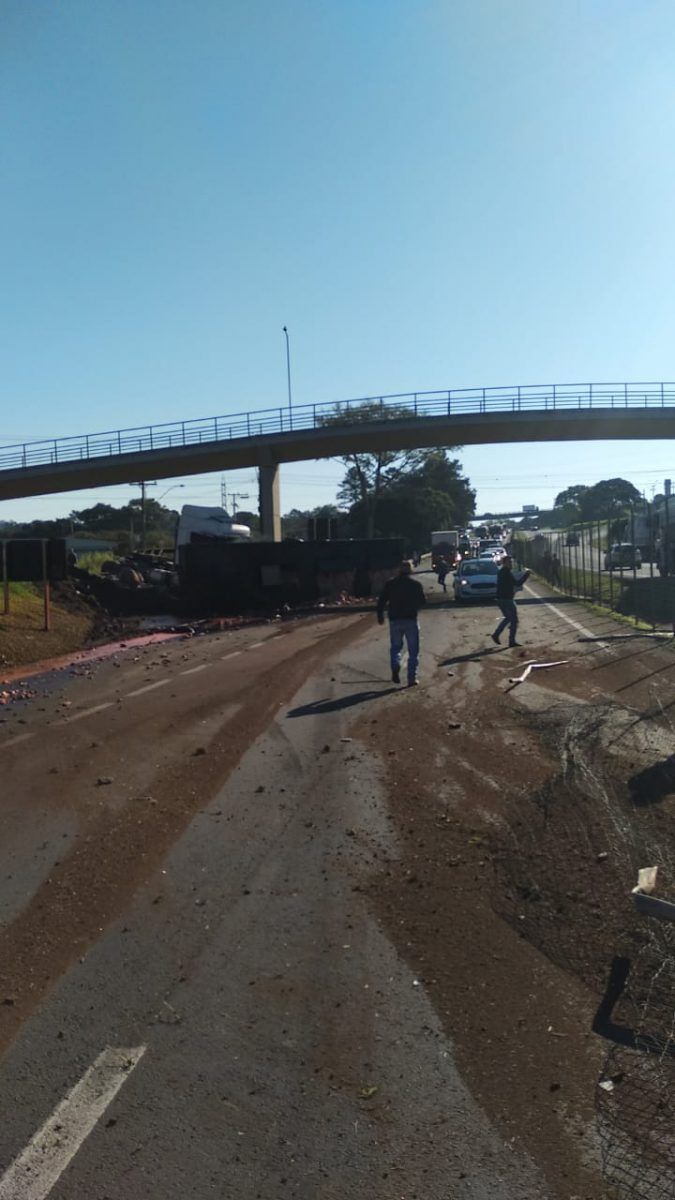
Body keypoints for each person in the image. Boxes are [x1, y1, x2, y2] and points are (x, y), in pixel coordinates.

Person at [377, 560, 426, 687]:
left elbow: (381, 601)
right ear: (410, 570)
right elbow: (423, 602)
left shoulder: (390, 584)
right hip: (410, 619)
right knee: (413, 650)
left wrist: (380, 616)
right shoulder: (415, 585)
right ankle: (412, 678)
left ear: (399, 570)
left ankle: (395, 665)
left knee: (395, 647)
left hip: (395, 620)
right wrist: (414, 607)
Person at [490, 555, 529, 647]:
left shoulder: (502, 572)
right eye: (509, 562)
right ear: (505, 563)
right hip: (506, 599)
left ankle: (496, 634)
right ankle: (511, 641)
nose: (511, 563)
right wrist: (527, 574)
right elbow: (517, 583)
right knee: (514, 620)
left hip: (501, 599)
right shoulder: (506, 572)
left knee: (508, 618)